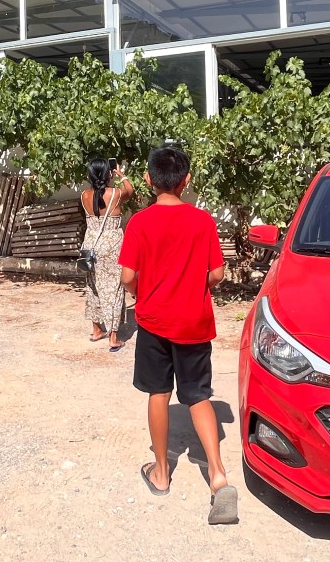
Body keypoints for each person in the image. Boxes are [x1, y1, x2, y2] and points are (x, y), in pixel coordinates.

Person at [118, 145, 238, 525]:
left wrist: (143, 292)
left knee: (159, 392)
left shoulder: (139, 223)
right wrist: (193, 286)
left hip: (154, 322)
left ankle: (161, 473)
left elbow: (127, 277)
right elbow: (216, 274)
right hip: (194, 323)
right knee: (198, 395)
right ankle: (218, 476)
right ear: (186, 181)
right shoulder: (203, 221)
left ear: (148, 180)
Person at [80, 157, 134, 352]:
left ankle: (96, 330)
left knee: (93, 286)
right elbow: (130, 190)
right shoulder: (116, 194)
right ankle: (113, 337)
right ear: (108, 173)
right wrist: (120, 174)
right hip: (111, 244)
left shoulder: (84, 195)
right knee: (114, 288)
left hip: (91, 244)